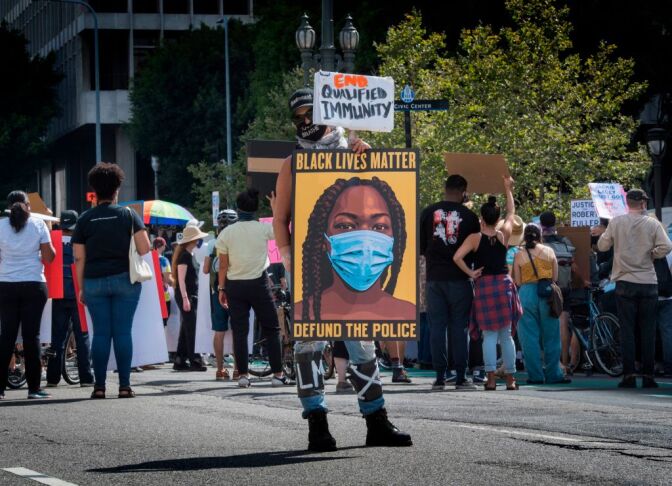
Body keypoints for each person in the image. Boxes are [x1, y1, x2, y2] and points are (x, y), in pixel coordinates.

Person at [272, 87, 412, 452]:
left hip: (352, 271)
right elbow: (280, 217)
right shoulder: (292, 161)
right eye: (298, 117)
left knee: (362, 340)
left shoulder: (352, 152)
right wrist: (287, 257)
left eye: (310, 114)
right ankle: (317, 423)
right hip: (311, 266)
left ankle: (376, 420)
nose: (304, 123)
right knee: (309, 344)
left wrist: (365, 155)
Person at [73, 163, 151, 399]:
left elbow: (78, 257)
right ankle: (125, 386)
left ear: (94, 191)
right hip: (125, 280)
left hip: (94, 281)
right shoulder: (129, 215)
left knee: (100, 334)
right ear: (117, 189)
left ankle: (99, 386)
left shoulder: (85, 219)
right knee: (123, 332)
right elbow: (145, 247)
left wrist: (81, 287)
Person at [294, 176, 415, 321]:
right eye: (345, 226)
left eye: (379, 226)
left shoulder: (407, 314)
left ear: (394, 239)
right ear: (323, 240)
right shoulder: (301, 315)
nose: (365, 242)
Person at [217, 189, 292, 388]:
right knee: (272, 329)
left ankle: (243, 375)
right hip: (259, 283)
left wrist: (221, 289)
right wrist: (275, 207)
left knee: (240, 331)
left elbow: (223, 265)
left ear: (237, 208)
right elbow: (279, 226)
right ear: (255, 208)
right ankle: (277, 374)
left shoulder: (226, 233)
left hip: (234, 285)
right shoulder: (262, 229)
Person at [597, 189, 672, 388]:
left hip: (624, 281)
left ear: (628, 203)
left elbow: (603, 246)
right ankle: (648, 376)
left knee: (627, 330)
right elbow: (666, 246)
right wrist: (652, 254)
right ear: (643, 204)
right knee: (648, 330)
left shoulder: (616, 222)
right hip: (648, 281)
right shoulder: (653, 223)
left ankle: (629, 375)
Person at [453, 177, 521, 390]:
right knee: (506, 334)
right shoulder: (503, 235)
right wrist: (508, 189)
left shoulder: (475, 238)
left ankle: (490, 378)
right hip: (503, 285)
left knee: (489, 335)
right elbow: (512, 213)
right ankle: (510, 379)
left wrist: (471, 273)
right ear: (497, 217)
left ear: (481, 217)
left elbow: (457, 257)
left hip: (484, 287)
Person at [420, 174, 480, 391]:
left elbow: (420, 248)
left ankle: (439, 376)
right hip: (460, 278)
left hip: (435, 278)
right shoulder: (470, 216)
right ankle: (461, 376)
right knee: (459, 328)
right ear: (463, 191)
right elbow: (476, 249)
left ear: (444, 189)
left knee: (437, 327)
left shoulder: (428, 212)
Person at [0, 190, 56, 400]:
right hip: (34, 284)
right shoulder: (39, 225)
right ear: (28, 206)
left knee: (6, 336)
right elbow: (50, 257)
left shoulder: (0, 226)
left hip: (5, 284)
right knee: (32, 337)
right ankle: (34, 389)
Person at [513, 225, 570, 384]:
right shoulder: (549, 251)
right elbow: (555, 277)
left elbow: (517, 281)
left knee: (529, 337)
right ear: (540, 236)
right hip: (546, 293)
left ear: (525, 237)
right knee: (551, 336)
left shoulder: (519, 255)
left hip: (526, 294)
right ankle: (554, 374)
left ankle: (535, 376)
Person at [46, 210, 95, 388]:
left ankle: (52, 378)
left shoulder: (52, 242)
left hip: (57, 294)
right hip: (78, 294)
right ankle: (86, 378)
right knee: (82, 336)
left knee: (56, 337)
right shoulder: (81, 243)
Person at [539, 211, 580, 375]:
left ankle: (552, 362)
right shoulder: (566, 242)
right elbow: (574, 265)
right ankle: (565, 362)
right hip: (565, 287)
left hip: (548, 288)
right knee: (563, 325)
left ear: (541, 225)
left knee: (546, 326)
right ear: (555, 223)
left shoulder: (540, 244)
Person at [204, 209, 238, 380]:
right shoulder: (239, 242)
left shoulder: (213, 244)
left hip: (217, 291)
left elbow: (205, 270)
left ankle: (220, 369)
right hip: (237, 290)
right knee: (239, 330)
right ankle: (239, 369)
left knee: (219, 331)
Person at [172, 225, 209, 372]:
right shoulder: (185, 256)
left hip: (188, 294)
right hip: (186, 295)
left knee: (186, 327)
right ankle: (195, 360)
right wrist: (185, 298)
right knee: (191, 327)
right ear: (193, 240)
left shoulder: (188, 254)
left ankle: (180, 359)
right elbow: (181, 280)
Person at [153, 237, 174, 327]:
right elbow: (168, 279)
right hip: (163, 297)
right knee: (162, 324)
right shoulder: (163, 260)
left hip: (150, 296)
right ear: (162, 247)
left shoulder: (147, 258)